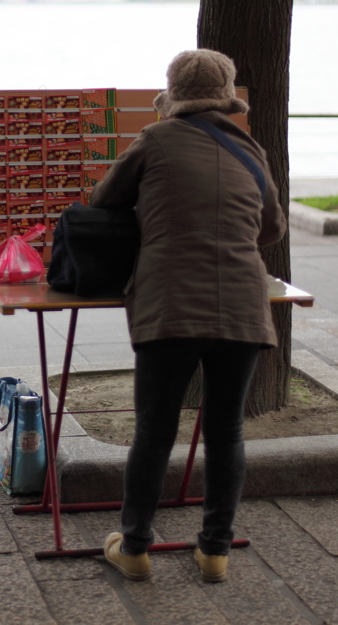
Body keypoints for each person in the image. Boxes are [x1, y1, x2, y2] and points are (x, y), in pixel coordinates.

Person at [91, 49, 286, 583]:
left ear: (172, 94)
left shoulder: (155, 140)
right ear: (227, 95)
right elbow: (272, 228)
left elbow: (103, 200)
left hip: (170, 302)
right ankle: (215, 552)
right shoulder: (251, 150)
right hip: (243, 305)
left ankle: (133, 548)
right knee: (225, 432)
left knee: (155, 431)